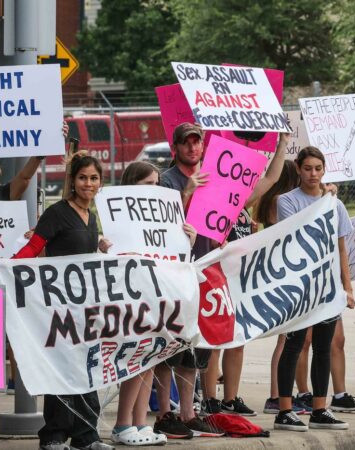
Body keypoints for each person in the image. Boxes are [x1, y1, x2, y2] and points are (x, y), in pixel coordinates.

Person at [11, 151, 113, 450]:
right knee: (60, 370)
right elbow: (34, 247)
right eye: (83, 178)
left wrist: (102, 248)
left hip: (85, 311)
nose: (88, 184)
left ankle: (86, 436)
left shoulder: (92, 217)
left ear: (100, 182)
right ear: (73, 180)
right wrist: (7, 265)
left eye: (94, 178)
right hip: (59, 310)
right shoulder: (57, 213)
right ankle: (53, 436)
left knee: (86, 370)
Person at [108, 160, 197, 446]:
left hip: (156, 296)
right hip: (133, 296)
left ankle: (139, 423)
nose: (155, 189)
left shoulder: (166, 218)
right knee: (134, 360)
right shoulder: (118, 214)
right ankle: (124, 424)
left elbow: (175, 255)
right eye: (148, 184)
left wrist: (188, 242)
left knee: (148, 360)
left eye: (157, 184)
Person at [201, 133, 289, 418]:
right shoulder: (210, 202)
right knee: (215, 343)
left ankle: (230, 397)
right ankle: (210, 398)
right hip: (215, 281)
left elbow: (272, 179)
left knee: (237, 340)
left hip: (239, 281)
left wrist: (282, 143)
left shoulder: (241, 205)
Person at [273, 146, 355, 432]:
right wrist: (324, 201)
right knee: (294, 344)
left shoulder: (336, 204)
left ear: (324, 170)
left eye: (318, 169)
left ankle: (320, 408)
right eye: (307, 168)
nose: (313, 174)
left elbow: (341, 248)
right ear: (298, 168)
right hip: (300, 287)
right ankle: (285, 409)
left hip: (328, 286)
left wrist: (347, 287)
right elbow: (295, 236)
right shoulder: (287, 201)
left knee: (324, 347)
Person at [153, 123, 222, 439]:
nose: (193, 148)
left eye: (197, 142)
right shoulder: (167, 181)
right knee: (171, 348)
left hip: (203, 268)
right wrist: (188, 192)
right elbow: (163, 226)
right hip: (174, 273)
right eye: (187, 143)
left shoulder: (213, 177)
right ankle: (164, 413)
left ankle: (188, 413)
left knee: (194, 348)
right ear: (176, 149)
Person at [253, 161, 313, 416]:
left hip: (277, 273)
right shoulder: (282, 202)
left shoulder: (268, 202)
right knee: (288, 339)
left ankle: (282, 393)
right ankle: (277, 395)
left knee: (289, 338)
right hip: (287, 273)